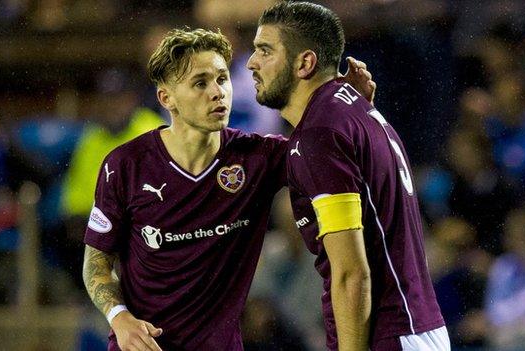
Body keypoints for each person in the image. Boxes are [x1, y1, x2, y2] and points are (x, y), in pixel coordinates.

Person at [81, 28, 374, 351]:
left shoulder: (259, 158)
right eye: (200, 83)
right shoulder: (125, 165)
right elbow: (96, 264)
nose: (218, 92)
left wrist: (347, 112)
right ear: (167, 98)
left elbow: (327, 154)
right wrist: (119, 317)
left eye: (222, 79)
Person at [247, 2, 449, 350]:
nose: (252, 62)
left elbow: (351, 272)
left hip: (388, 334)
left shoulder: (321, 134)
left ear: (305, 63)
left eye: (265, 51)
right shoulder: (355, 109)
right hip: (413, 325)